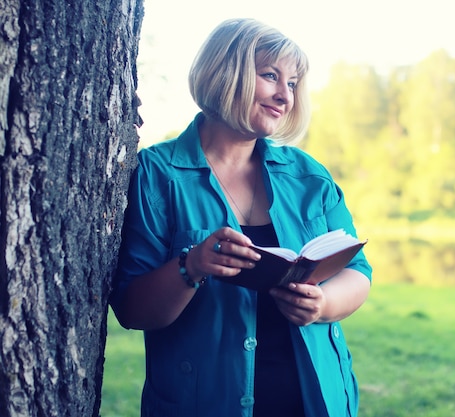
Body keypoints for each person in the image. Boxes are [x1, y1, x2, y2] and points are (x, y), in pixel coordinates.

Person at [110, 17, 372, 417]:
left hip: (319, 403)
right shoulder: (156, 174)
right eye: (271, 75)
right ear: (225, 72)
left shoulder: (310, 177)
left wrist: (322, 304)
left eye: (293, 83)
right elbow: (133, 309)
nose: (285, 96)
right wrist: (192, 265)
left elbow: (357, 272)